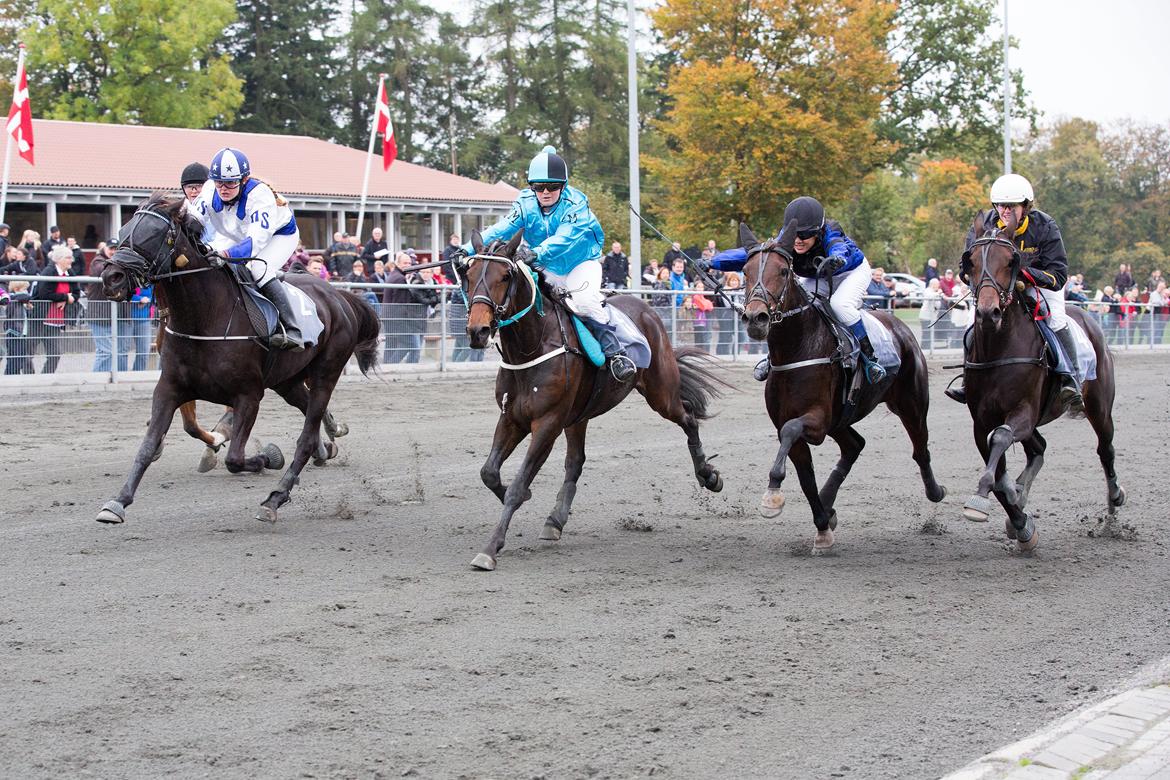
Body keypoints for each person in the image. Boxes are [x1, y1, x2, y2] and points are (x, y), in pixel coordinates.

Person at [454, 145, 636, 381]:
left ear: (564, 185)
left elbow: (565, 238)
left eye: (553, 186)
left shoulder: (577, 204)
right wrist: (465, 250)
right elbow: (504, 227)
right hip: (544, 264)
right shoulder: (525, 201)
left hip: (580, 264)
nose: (545, 192)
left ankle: (616, 353)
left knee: (583, 300)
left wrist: (535, 253)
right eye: (538, 187)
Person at [707, 196, 887, 383]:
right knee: (797, 307)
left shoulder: (831, 231)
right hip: (819, 275)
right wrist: (712, 262)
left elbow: (838, 247)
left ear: (818, 232)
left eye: (805, 235)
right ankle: (772, 358)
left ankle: (870, 359)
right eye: (796, 235)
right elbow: (750, 254)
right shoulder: (786, 237)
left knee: (840, 305)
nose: (799, 240)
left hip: (850, 272)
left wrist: (838, 258)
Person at [948, 173, 1083, 415]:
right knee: (973, 322)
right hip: (997, 289)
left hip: (1039, 286)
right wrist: (978, 284)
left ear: (1026, 206)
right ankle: (968, 380)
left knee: (1057, 320)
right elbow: (966, 267)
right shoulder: (984, 225)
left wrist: (1023, 276)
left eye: (1011, 206)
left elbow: (1058, 275)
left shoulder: (1044, 226)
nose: (1005, 211)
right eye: (1000, 205)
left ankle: (1069, 379)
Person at [187, 147, 304, 350]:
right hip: (236, 234)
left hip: (278, 237)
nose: (223, 188)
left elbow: (254, 244)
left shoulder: (260, 195)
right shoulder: (208, 190)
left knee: (257, 268)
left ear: (244, 180)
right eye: (219, 182)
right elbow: (191, 222)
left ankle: (291, 328)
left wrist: (225, 255)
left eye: (230, 182)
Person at [30, 244, 79, 373]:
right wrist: (64, 297)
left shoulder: (70, 272)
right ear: (59, 259)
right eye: (68, 257)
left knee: (55, 354)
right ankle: (29, 376)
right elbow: (44, 293)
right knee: (28, 352)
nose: (71, 260)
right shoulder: (49, 271)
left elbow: (77, 293)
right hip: (40, 318)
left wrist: (67, 299)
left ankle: (46, 376)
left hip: (56, 321)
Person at [2, 280, 34, 375]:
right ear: (16, 289)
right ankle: (9, 375)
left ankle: (12, 375)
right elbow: (25, 296)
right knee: (17, 357)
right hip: (14, 331)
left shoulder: (19, 301)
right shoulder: (11, 298)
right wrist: (28, 298)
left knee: (17, 357)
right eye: (25, 289)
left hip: (20, 332)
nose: (27, 291)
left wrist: (28, 307)